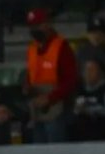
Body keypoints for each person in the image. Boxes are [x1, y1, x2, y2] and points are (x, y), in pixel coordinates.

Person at [24, 8, 77, 144]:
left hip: (57, 109)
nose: (34, 29)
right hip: (36, 109)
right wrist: (26, 86)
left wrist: (50, 97)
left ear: (47, 24)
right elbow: (30, 74)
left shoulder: (61, 46)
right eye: (31, 26)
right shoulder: (32, 48)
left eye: (37, 25)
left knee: (56, 152)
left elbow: (71, 80)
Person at [73, 60, 105, 142]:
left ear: (101, 73)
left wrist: (88, 111)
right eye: (86, 70)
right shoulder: (81, 91)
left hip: (104, 137)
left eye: (91, 70)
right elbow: (75, 111)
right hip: (83, 139)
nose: (87, 73)